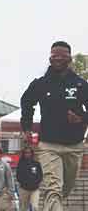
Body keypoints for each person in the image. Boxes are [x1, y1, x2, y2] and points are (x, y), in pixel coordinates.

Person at [20, 40, 88, 210]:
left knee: (66, 187)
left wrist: (81, 118)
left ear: (69, 59)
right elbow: (26, 101)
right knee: (53, 187)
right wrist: (26, 127)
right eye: (54, 56)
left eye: (62, 56)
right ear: (50, 59)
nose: (57, 59)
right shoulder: (41, 83)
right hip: (48, 144)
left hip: (74, 145)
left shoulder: (80, 84)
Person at [16, 146, 43, 211]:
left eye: (29, 152)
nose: (27, 154)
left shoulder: (36, 163)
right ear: (23, 154)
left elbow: (40, 175)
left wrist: (36, 183)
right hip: (24, 189)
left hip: (35, 189)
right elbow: (18, 176)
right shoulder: (21, 164)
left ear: (32, 153)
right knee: (23, 208)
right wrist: (23, 183)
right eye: (26, 153)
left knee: (35, 207)